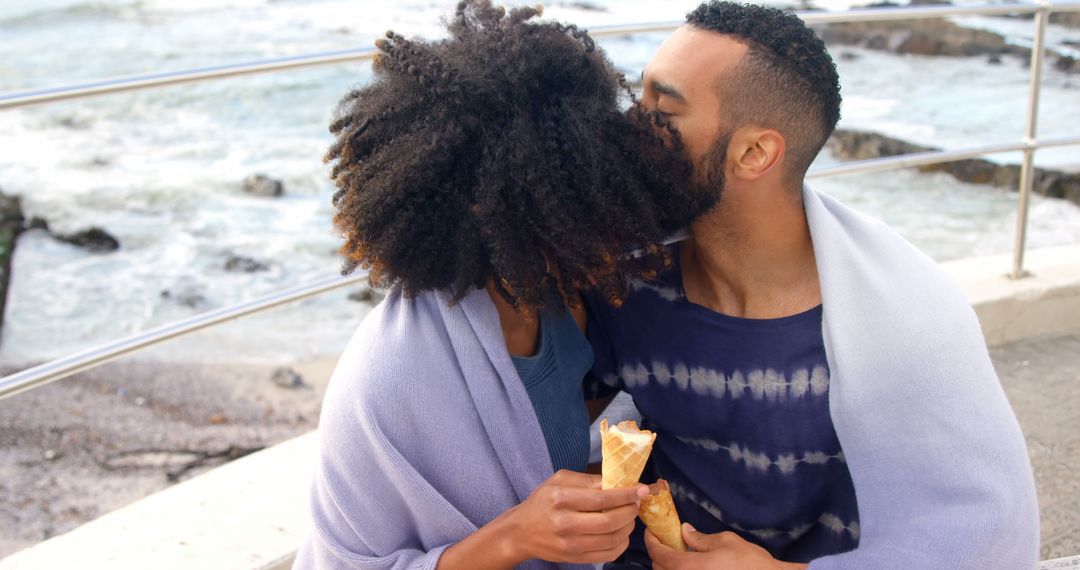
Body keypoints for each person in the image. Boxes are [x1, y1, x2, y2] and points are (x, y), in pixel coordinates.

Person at [583, 2, 1040, 569]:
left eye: (664, 110)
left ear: (755, 153)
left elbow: (984, 538)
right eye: (641, 95)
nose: (632, 123)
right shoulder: (628, 281)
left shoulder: (904, 317)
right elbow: (534, 426)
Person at [293, 1, 719, 568]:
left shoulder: (567, 298)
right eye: (570, 196)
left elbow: (536, 445)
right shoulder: (395, 373)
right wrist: (516, 536)